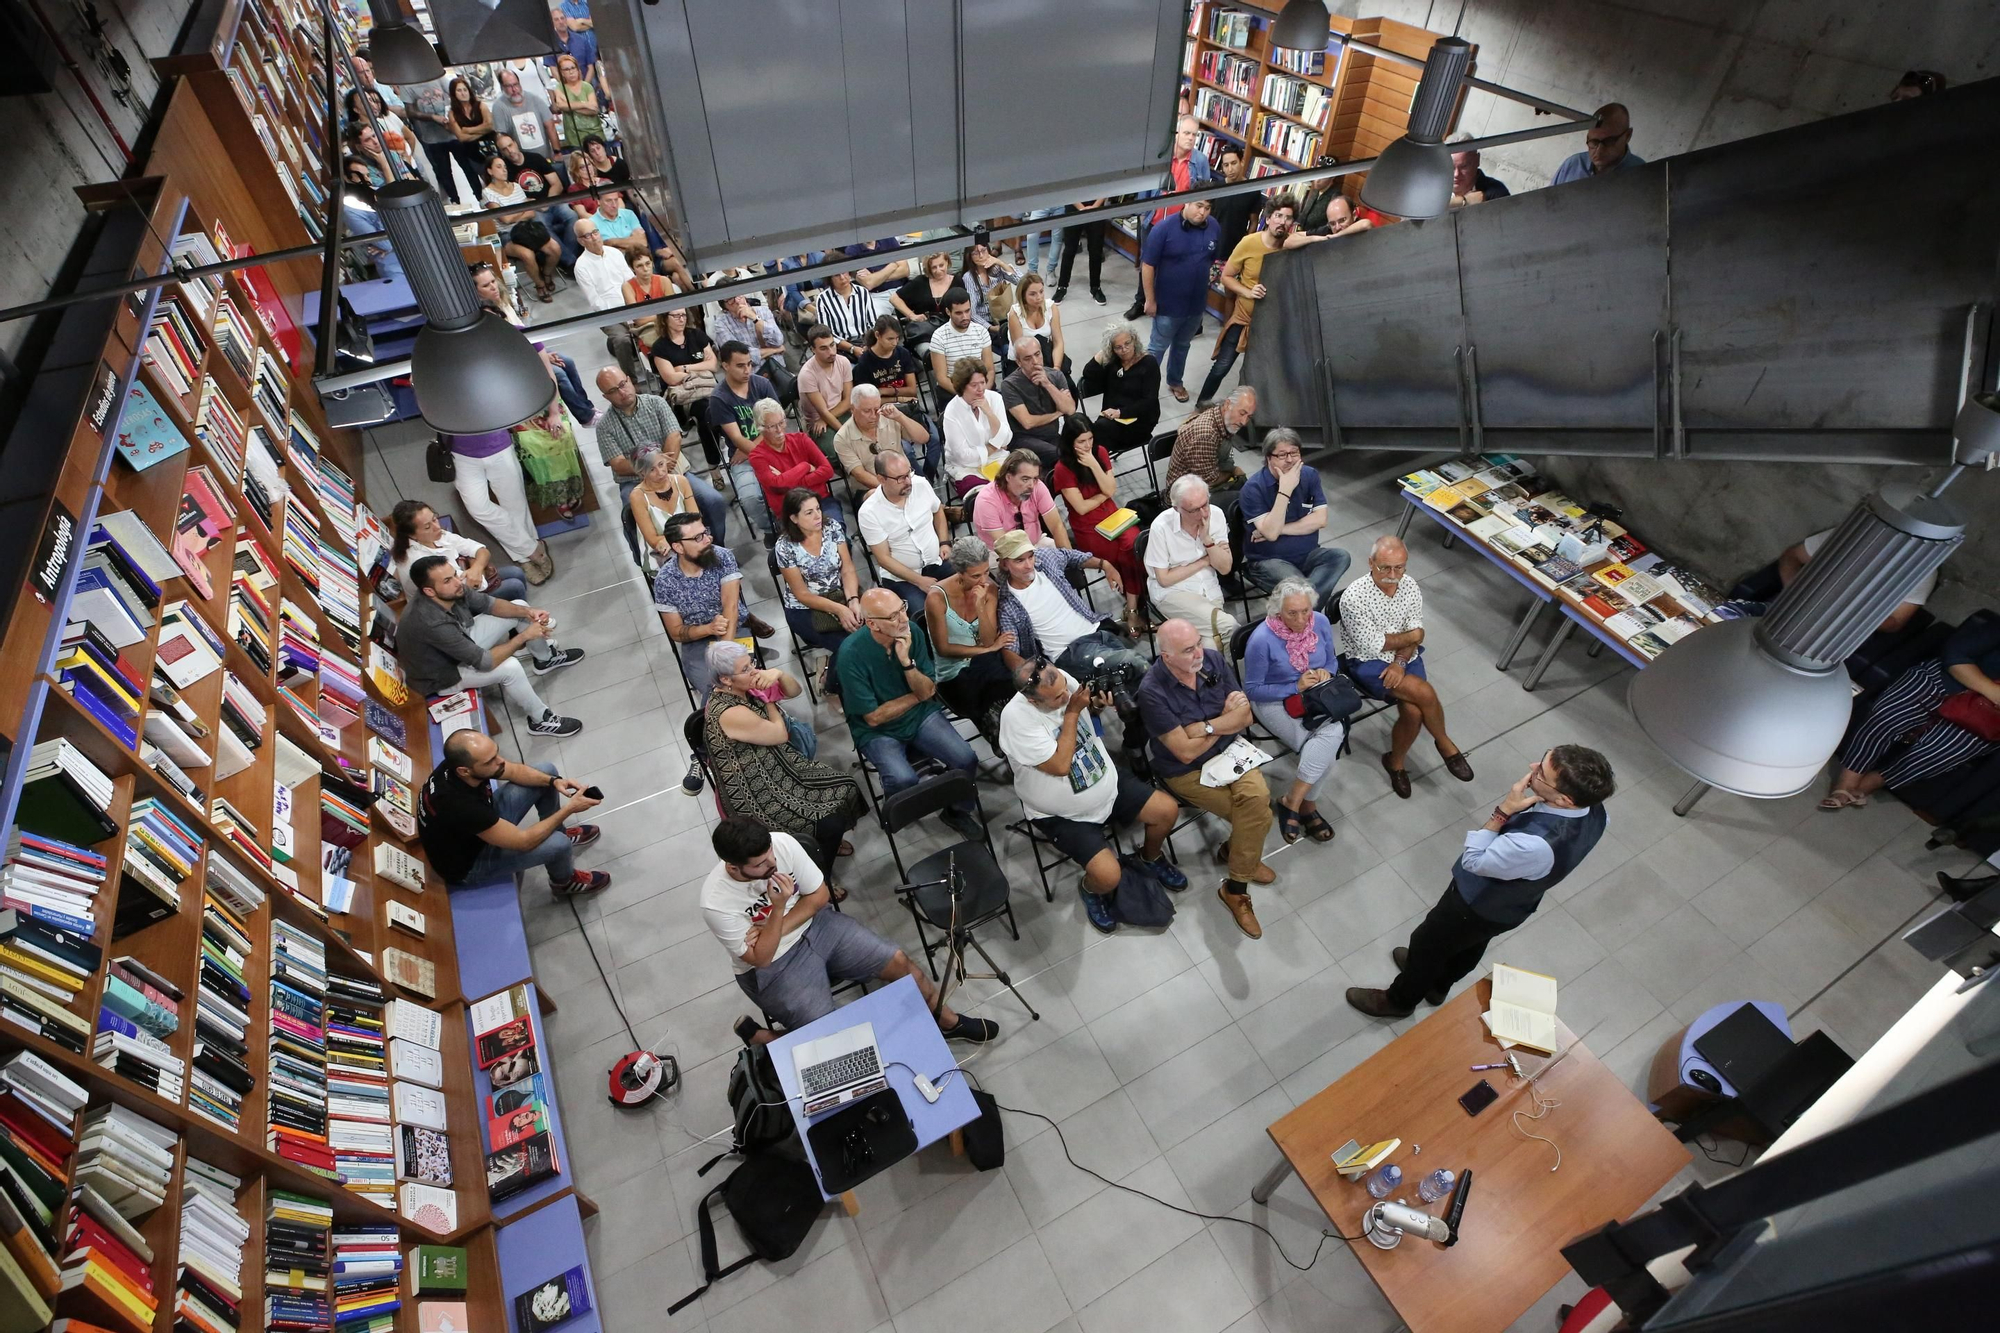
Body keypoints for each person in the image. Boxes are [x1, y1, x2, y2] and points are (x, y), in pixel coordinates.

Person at [1346, 746, 1617, 1018]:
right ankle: (1437, 985)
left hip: (1475, 903)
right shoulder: (1597, 813)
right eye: (1542, 759)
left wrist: (1504, 811)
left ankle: (1400, 1000)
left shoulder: (1534, 845)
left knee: (1426, 944)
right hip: (1514, 905)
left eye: (1541, 774)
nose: (1532, 767)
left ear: (1564, 800)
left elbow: (1474, 860)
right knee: (1470, 946)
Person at [704, 816, 997, 1044]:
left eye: (770, 853)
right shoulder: (716, 902)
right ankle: (767, 1039)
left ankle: (949, 1023)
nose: (773, 862)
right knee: (828, 1037)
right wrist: (779, 908)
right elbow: (761, 957)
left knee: (899, 961)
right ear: (733, 867)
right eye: (760, 865)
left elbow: (819, 897)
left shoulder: (781, 844)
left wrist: (772, 927)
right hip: (773, 966)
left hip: (818, 926)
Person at [1002, 658, 1187, 932]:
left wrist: (1097, 705)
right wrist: (1072, 712)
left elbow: (1089, 713)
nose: (1066, 696)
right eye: (1057, 698)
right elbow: (1060, 765)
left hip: (1106, 780)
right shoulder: (1016, 720)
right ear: (1033, 701)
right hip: (1063, 815)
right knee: (1108, 876)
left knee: (1167, 810)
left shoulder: (1060, 679)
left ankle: (1150, 857)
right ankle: (1090, 890)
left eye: (1065, 690)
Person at [1138, 619, 1275, 937]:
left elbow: (1246, 716)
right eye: (1188, 650)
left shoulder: (1212, 659)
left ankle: (1235, 882)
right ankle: (1239, 870)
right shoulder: (1152, 692)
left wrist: (1206, 727)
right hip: (1186, 770)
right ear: (1166, 656)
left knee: (1257, 800)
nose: (1199, 653)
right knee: (1256, 815)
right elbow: (1185, 753)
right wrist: (1225, 719)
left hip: (1231, 752)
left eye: (1198, 643)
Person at [702, 642, 864, 877]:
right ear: (726, 679)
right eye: (745, 669)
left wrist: (778, 673)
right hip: (753, 789)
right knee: (828, 820)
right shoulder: (728, 711)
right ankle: (819, 875)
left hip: (776, 763)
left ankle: (824, 844)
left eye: (751, 663)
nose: (753, 671)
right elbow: (779, 735)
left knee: (845, 786)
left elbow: (794, 691)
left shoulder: (746, 684)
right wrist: (768, 698)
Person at [836, 589, 983, 841]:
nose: (903, 618)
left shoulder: (911, 632)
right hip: (878, 732)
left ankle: (957, 811)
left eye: (902, 608)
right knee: (903, 780)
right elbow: (873, 717)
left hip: (920, 716)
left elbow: (929, 690)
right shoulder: (850, 655)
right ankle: (898, 808)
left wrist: (907, 663)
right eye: (893, 616)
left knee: (966, 758)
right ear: (872, 624)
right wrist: (917, 696)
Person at [1819, 617, 2000, 811]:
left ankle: (1871, 782)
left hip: (1988, 714)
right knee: (1887, 717)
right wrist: (1992, 691)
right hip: (1948, 680)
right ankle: (1847, 783)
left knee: (1941, 753)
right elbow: (1956, 654)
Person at [1339, 535, 1473, 797]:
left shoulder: (1409, 585)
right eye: (1385, 567)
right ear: (1371, 563)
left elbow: (1414, 631)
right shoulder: (1354, 598)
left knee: (1413, 712)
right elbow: (1374, 644)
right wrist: (1412, 637)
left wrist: (1400, 662)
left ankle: (1395, 763)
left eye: (1399, 567)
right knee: (1424, 693)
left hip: (1404, 658)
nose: (1393, 575)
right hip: (1367, 662)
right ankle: (1445, 743)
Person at [398, 556, 583, 736]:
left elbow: (491, 605)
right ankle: (540, 720)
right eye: (447, 580)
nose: (457, 582)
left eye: (454, 574)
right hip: (443, 675)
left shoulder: (452, 589)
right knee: (510, 668)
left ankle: (546, 659)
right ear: (429, 591)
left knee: (519, 607)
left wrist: (530, 612)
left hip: (458, 642)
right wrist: (524, 636)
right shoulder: (431, 622)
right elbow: (486, 662)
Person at [418, 730, 609, 898]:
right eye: (490, 761)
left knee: (546, 772)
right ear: (464, 771)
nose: (500, 761)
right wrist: (570, 808)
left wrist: (553, 782)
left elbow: (513, 770)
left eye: (496, 753)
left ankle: (557, 829)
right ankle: (564, 882)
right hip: (470, 862)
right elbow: (524, 841)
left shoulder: (457, 766)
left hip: (478, 827)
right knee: (559, 844)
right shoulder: (459, 804)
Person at [1197, 201, 1330, 408]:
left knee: (1257, 372)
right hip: (1243, 318)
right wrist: (1247, 291)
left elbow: (1316, 239)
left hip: (1271, 324)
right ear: (1268, 219)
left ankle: (1247, 412)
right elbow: (1227, 276)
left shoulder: (1291, 246)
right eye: (1278, 216)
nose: (1282, 222)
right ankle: (1200, 406)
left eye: (1288, 218)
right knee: (1222, 366)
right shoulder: (1249, 243)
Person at [987, 531, 1145, 702]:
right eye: (1019, 560)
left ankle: (1146, 714)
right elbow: (1010, 651)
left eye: (1030, 556)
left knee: (1127, 685)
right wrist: (1037, 676)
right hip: (1071, 653)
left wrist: (1104, 564)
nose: (1029, 565)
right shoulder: (1008, 604)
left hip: (1098, 631)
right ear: (1004, 564)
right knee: (1135, 663)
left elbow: (1072, 556)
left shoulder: (1044, 559)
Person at [1242, 579, 1344, 845]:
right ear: (1277, 611)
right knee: (1328, 743)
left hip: (1314, 694)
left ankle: (1293, 801)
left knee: (1328, 739)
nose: (1301, 620)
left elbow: (1331, 660)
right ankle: (1305, 805)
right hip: (1274, 700)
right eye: (1292, 613)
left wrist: (1326, 673)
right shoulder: (1261, 640)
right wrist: (1294, 686)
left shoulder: (1320, 622)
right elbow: (1252, 690)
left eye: (1305, 611)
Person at [593, 368, 729, 557]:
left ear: (629, 380)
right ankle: (649, 563)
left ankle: (713, 552)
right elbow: (618, 464)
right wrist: (652, 467)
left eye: (623, 384)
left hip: (671, 470)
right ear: (605, 396)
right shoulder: (604, 426)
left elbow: (674, 435)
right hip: (634, 481)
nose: (622, 392)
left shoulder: (656, 403)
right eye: (613, 390)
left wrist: (662, 466)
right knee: (631, 517)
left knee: (713, 501)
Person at [1051, 416, 1144, 637]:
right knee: (1122, 554)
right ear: (1070, 442)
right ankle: (1136, 606)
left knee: (1134, 544)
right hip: (1088, 526)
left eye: (1090, 439)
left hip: (1113, 515)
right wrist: (1104, 495)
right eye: (1081, 441)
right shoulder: (1063, 468)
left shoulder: (1099, 452)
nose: (1087, 445)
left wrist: (1093, 464)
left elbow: (1110, 489)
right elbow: (1081, 508)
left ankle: (1133, 606)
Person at [1238, 427, 1349, 608]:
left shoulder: (1309, 475)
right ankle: (1310, 608)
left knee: (1340, 557)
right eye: (1282, 455)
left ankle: (1305, 607)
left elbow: (1321, 520)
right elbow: (1271, 534)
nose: (1290, 460)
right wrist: (1285, 490)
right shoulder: (1253, 489)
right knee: (1298, 587)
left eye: (1294, 453)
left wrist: (1278, 529)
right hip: (1269, 561)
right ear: (1269, 458)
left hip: (1308, 554)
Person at [652, 513, 754, 704]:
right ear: (678, 547)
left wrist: (724, 653)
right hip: (697, 642)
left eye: (705, 532)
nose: (708, 539)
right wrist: (709, 629)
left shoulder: (722, 556)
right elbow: (676, 632)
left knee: (741, 678)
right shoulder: (665, 581)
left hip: (734, 629)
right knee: (713, 689)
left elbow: (730, 606)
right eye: (698, 537)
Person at [924, 537, 1017, 740]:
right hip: (954, 672)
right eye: (975, 576)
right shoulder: (936, 598)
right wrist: (986, 650)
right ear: (960, 572)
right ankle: (1001, 737)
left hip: (984, 661)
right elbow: (944, 649)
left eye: (986, 572)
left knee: (1008, 682)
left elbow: (988, 640)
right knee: (987, 687)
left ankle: (1016, 734)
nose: (983, 580)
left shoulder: (989, 589)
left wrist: (980, 607)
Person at [1125, 115, 1216, 319]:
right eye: (1186, 133)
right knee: (1147, 263)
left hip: (1181, 226)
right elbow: (1145, 184)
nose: (1190, 138)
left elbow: (1204, 193)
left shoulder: (1200, 161)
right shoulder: (1161, 156)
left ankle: (1165, 305)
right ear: (1176, 134)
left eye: (1194, 135)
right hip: (1154, 220)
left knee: (1173, 267)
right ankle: (1141, 302)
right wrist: (1142, 212)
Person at [448, 425, 553, 583]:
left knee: (515, 504)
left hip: (497, 444)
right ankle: (532, 549)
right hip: (460, 452)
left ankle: (523, 558)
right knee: (478, 508)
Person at [1779, 527, 1936, 634]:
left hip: (1847, 629)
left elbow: (1895, 622)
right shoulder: (1857, 533)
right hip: (1799, 605)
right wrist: (1792, 589)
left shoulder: (1923, 569)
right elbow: (1792, 556)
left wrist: (1851, 612)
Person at [1145, 474, 1240, 649]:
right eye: (1194, 510)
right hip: (1174, 593)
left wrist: (1207, 540)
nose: (1203, 514)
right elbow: (1164, 579)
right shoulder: (1161, 527)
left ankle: (1219, 667)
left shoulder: (1216, 515)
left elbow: (1225, 568)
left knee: (1210, 646)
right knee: (1230, 626)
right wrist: (1205, 561)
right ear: (1177, 509)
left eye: (1205, 505)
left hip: (1209, 591)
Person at [1142, 197, 1221, 403]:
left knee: (1183, 345)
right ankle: (1144, 388)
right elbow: (1148, 265)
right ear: (1187, 202)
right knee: (1157, 348)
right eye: (1199, 206)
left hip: (1196, 305)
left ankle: (1175, 381)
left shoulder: (1213, 226)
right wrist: (1150, 299)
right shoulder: (1163, 229)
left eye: (1207, 208)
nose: (1202, 212)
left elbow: (1212, 260)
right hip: (1167, 305)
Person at [858, 450, 950, 618]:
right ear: (881, 479)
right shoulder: (869, 512)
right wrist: (919, 581)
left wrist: (944, 542)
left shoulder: (920, 484)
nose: (908, 482)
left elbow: (938, 511)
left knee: (970, 585)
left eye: (908, 473)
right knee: (923, 615)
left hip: (936, 561)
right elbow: (883, 559)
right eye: (900, 478)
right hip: (902, 577)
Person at [775, 489, 861, 663]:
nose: (817, 516)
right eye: (809, 512)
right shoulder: (784, 547)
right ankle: (828, 676)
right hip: (805, 607)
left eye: (818, 509)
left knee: (876, 633)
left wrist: (853, 599)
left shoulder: (832, 527)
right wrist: (840, 609)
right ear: (794, 518)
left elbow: (847, 569)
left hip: (840, 593)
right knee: (849, 648)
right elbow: (802, 595)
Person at [707, 342, 781, 539]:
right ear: (725, 366)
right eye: (740, 365)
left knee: (794, 485)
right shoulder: (719, 398)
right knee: (750, 499)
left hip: (772, 448)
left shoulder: (762, 384)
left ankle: (790, 522)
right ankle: (772, 529)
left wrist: (752, 447)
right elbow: (737, 438)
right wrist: (755, 448)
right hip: (744, 458)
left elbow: (779, 425)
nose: (747, 370)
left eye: (749, 364)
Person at [389, 500, 527, 603]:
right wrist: (475, 564)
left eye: (434, 519)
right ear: (412, 535)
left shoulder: (438, 535)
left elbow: (481, 550)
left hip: (462, 584)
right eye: (427, 527)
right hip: (451, 605)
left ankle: (516, 621)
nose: (437, 527)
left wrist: (476, 568)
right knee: (515, 586)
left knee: (516, 572)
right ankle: (525, 625)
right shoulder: (418, 560)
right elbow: (471, 586)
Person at [1075, 326, 1161, 462]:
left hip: (1139, 421)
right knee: (1080, 428)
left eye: (1127, 343)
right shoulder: (1113, 362)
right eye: (1118, 347)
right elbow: (1089, 373)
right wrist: (1104, 352)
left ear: (1134, 340)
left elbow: (1149, 401)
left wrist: (1120, 413)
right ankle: (1092, 464)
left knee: (1096, 434)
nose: (1124, 349)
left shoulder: (1148, 363)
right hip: (1110, 419)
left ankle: (1093, 466)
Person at [747, 398, 836, 524]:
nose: (779, 430)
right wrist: (805, 467)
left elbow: (828, 471)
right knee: (811, 535)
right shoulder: (757, 456)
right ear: (760, 428)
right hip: (791, 513)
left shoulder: (801, 439)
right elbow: (777, 487)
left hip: (820, 502)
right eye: (772, 426)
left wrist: (788, 481)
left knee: (835, 531)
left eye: (781, 423)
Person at [834, 384, 934, 493]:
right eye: (867, 411)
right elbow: (860, 474)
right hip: (871, 488)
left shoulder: (890, 417)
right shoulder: (842, 438)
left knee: (925, 489)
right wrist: (892, 488)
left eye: (876, 409)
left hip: (905, 479)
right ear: (852, 409)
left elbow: (924, 438)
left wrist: (900, 417)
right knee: (873, 494)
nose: (873, 416)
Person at [1000, 335, 1076, 471]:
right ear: (1019, 362)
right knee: (1059, 456)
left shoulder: (1055, 375)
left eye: (1037, 354)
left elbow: (1070, 410)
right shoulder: (1009, 384)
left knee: (1080, 452)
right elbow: (1027, 422)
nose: (1035, 362)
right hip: (1024, 439)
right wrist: (1057, 413)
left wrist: (1048, 384)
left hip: (1052, 435)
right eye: (1027, 358)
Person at [973, 450, 1070, 551]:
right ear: (1008, 477)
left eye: (1035, 478)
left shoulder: (1037, 486)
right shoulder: (987, 500)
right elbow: (1005, 545)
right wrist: (1035, 558)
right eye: (1025, 479)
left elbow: (1057, 526)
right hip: (1001, 553)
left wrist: (1069, 557)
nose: (1031, 485)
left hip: (1036, 543)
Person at [941, 360, 1012, 499]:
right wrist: (994, 446)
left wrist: (989, 413)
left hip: (998, 459)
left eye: (982, 382)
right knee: (985, 497)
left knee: (1021, 483)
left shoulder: (995, 399)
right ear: (962, 386)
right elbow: (963, 456)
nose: (980, 389)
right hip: (967, 469)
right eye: (974, 385)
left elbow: (1006, 439)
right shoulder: (952, 411)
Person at [1168, 385, 1256, 496]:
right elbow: (1209, 481)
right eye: (1242, 413)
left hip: (1204, 478)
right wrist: (1233, 471)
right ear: (1227, 404)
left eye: (1249, 417)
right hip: (1185, 495)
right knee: (1245, 495)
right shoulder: (1206, 435)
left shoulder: (1222, 417)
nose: (1244, 422)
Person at [508, 400, 588, 519]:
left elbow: (553, 388)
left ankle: (570, 488)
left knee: (562, 434)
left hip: (546, 402)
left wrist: (554, 414)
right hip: (517, 410)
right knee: (528, 442)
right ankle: (558, 497)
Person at [630, 447, 704, 575]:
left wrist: (685, 542)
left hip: (691, 542)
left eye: (661, 464)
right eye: (652, 470)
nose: (660, 472)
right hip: (661, 553)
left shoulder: (681, 481)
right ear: (642, 473)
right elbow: (653, 540)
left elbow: (696, 520)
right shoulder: (637, 496)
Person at [711, 296, 796, 404]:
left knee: (799, 386)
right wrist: (775, 350)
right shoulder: (721, 324)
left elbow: (778, 340)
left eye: (738, 296)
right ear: (725, 307)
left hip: (778, 370)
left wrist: (755, 318)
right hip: (751, 377)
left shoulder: (763, 311)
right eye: (731, 300)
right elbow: (739, 356)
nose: (737, 301)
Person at [400, 78, 468, 206]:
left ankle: (479, 197)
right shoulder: (406, 85)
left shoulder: (437, 76)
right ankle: (455, 202)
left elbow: (454, 94)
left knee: (467, 166)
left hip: (453, 133)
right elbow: (410, 112)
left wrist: (453, 117)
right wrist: (432, 117)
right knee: (444, 172)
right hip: (432, 138)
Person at [652, 305, 720, 424]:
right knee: (706, 409)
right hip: (683, 396)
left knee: (722, 404)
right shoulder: (660, 347)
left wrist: (684, 368)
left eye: (683, 315)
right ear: (665, 319)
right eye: (676, 316)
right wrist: (703, 370)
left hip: (708, 387)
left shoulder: (696, 335)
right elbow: (671, 378)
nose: (682, 319)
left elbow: (713, 365)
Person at [1552, 103, 1644, 185]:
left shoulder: (1642, 174)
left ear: (1627, 136)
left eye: (1609, 141)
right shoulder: (1572, 166)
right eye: (1594, 142)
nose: (1599, 151)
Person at [797, 326, 855, 446]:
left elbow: (848, 400)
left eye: (832, 345)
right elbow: (823, 412)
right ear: (813, 349)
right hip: (817, 422)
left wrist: (825, 419)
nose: (831, 352)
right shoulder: (807, 374)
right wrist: (845, 435)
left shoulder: (843, 362)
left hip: (840, 412)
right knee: (838, 449)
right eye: (823, 348)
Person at [853, 315, 925, 412]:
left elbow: (912, 390)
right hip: (880, 410)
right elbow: (869, 400)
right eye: (890, 339)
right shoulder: (865, 361)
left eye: (897, 338)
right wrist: (899, 398)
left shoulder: (903, 353)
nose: (895, 343)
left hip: (906, 407)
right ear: (877, 335)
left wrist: (885, 391)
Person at [926, 290, 994, 390]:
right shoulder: (939, 336)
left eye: (967, 311)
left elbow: (990, 370)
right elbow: (942, 378)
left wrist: (984, 391)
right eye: (958, 313)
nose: (964, 317)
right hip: (954, 389)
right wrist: (966, 395)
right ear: (948, 312)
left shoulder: (981, 331)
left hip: (981, 387)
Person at [1007, 273, 1066, 379]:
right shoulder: (1015, 314)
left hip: (1044, 354)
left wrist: (1056, 369)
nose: (1039, 297)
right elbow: (1020, 352)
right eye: (1033, 294)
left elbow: (1058, 342)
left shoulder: (1051, 307)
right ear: (1023, 296)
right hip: (1023, 362)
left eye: (1041, 291)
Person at [890, 250, 968, 330]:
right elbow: (894, 298)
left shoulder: (957, 281)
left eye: (941, 265)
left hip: (952, 329)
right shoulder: (920, 282)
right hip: (925, 331)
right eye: (934, 267)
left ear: (947, 262)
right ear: (929, 268)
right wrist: (911, 315)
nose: (938, 270)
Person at [1051, 198, 1108, 306]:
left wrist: (1095, 207)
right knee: (1069, 250)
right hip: (1073, 208)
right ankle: (1062, 287)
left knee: (1096, 251)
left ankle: (1095, 287)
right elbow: (1068, 191)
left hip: (1097, 209)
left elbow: (1106, 190)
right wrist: (1082, 208)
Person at [809, 270, 876, 359]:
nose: (842, 277)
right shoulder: (823, 299)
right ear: (830, 278)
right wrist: (852, 348)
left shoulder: (862, 292)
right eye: (837, 275)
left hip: (866, 343)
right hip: (840, 349)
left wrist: (868, 345)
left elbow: (873, 323)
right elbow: (826, 333)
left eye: (844, 272)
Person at [961, 241, 1019, 343]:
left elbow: (1020, 281)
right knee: (1007, 345)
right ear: (969, 257)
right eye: (976, 253)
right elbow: (972, 313)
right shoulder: (969, 277)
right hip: (985, 323)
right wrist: (990, 327)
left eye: (983, 251)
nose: (981, 256)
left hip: (1005, 316)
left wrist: (1001, 263)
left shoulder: (996, 268)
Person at [491, 67, 556, 157]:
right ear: (502, 87)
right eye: (509, 86)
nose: (514, 89)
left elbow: (550, 126)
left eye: (516, 84)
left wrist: (557, 151)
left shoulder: (535, 99)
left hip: (545, 156)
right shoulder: (498, 107)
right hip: (520, 159)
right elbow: (501, 137)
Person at [446, 77, 495, 191]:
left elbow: (490, 126)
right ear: (454, 94)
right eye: (459, 90)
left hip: (491, 148)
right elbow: (461, 137)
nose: (463, 93)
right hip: (474, 154)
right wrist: (482, 130)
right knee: (488, 183)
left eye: (465, 89)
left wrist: (468, 130)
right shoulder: (453, 113)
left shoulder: (481, 105)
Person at [1209, 146, 1258, 259]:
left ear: (1242, 162)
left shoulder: (1252, 190)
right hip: (1212, 246)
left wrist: (1245, 245)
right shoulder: (1215, 188)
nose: (1230, 169)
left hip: (1236, 249)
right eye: (1226, 165)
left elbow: (1254, 222)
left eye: (1234, 163)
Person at [548, 51, 603, 150]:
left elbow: (594, 109)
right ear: (561, 72)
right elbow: (561, 106)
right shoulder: (560, 88)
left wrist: (570, 106)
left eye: (573, 68)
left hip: (594, 132)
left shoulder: (587, 86)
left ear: (578, 69)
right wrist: (585, 104)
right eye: (566, 69)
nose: (571, 72)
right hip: (574, 136)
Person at [1449, 138, 1511, 207]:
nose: (1456, 174)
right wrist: (1465, 201)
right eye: (1451, 167)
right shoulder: (1439, 187)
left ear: (1477, 160)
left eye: (1464, 166)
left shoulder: (1496, 193)